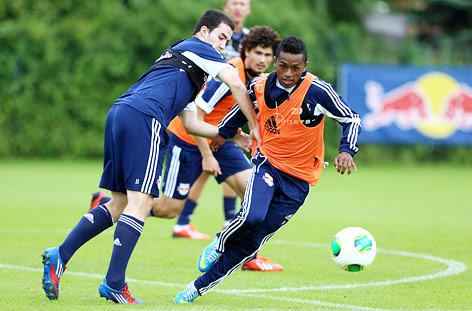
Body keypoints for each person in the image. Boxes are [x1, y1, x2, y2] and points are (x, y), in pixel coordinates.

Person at [41, 9, 260, 305]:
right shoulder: (197, 47)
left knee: (120, 203)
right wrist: (256, 127)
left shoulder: (187, 66)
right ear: (203, 32)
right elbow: (235, 82)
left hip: (122, 113)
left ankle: (60, 255)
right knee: (141, 202)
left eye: (227, 40)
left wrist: (232, 134)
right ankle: (114, 282)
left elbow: (192, 123)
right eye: (221, 37)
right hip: (145, 119)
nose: (223, 45)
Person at [173, 36, 362, 304]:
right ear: (275, 62)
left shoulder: (317, 91)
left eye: (295, 68)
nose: (287, 73)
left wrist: (346, 150)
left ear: (305, 66)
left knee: (252, 242)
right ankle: (219, 243)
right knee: (251, 215)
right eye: (283, 66)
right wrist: (223, 134)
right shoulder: (260, 85)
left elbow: (351, 118)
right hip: (268, 162)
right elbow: (242, 110)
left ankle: (197, 287)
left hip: (300, 181)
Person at [176, 0, 252, 239]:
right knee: (207, 167)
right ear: (225, 6)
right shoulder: (206, 41)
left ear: (249, 9)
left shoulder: (250, 43)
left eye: (243, 3)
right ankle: (186, 220)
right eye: (234, 2)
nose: (238, 7)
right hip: (199, 112)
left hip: (222, 118)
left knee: (225, 166)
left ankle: (227, 220)